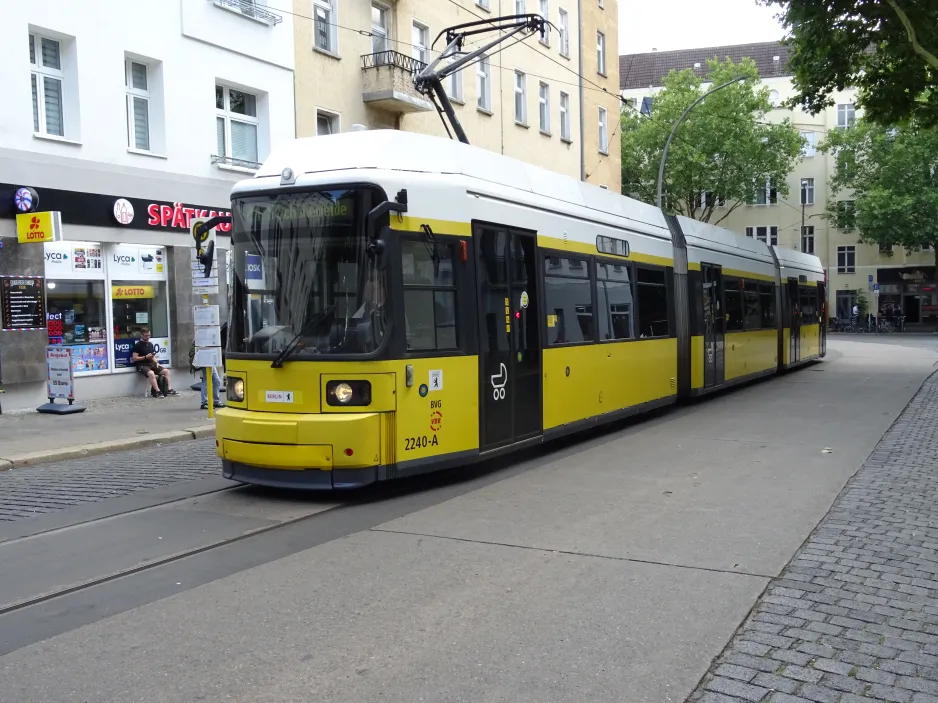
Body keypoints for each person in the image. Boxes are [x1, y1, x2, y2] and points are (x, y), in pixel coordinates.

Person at [132, 327, 177, 398]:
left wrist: (156, 362)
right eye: (146, 336)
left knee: (167, 371)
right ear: (141, 335)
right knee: (151, 373)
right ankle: (157, 391)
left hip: (151, 364)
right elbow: (134, 358)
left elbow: (152, 356)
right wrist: (145, 357)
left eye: (149, 335)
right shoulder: (138, 345)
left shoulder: (150, 344)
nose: (148, 337)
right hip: (142, 365)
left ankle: (169, 389)